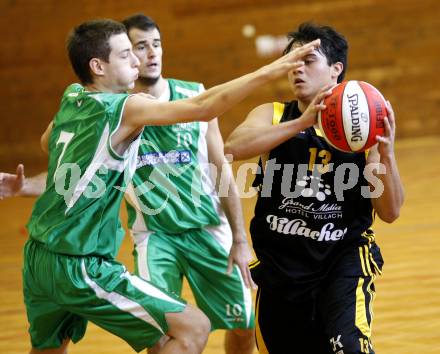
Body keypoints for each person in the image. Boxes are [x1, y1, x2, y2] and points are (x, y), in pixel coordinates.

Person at [0, 18, 320, 354]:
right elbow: (203, 107)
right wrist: (271, 70)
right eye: (126, 55)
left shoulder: (73, 95)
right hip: (79, 262)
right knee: (195, 328)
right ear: (98, 66)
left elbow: (49, 145)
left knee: (49, 349)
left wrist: (25, 187)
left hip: (38, 256)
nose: (138, 60)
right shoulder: (127, 107)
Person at [225, 23, 404, 354]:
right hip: (282, 267)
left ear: (336, 69)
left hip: (342, 259)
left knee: (350, 348)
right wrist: (301, 123)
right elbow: (232, 147)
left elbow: (390, 212)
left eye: (308, 60)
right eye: (292, 60)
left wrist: (387, 155)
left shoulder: (364, 128)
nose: (297, 68)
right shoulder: (274, 114)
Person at [121, 14, 255, 354]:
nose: (152, 53)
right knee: (161, 333)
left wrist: (240, 239)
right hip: (155, 236)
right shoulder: (116, 109)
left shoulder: (194, 96)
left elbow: (222, 169)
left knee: (244, 325)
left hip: (207, 230)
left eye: (157, 44)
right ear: (126, 54)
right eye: (141, 46)